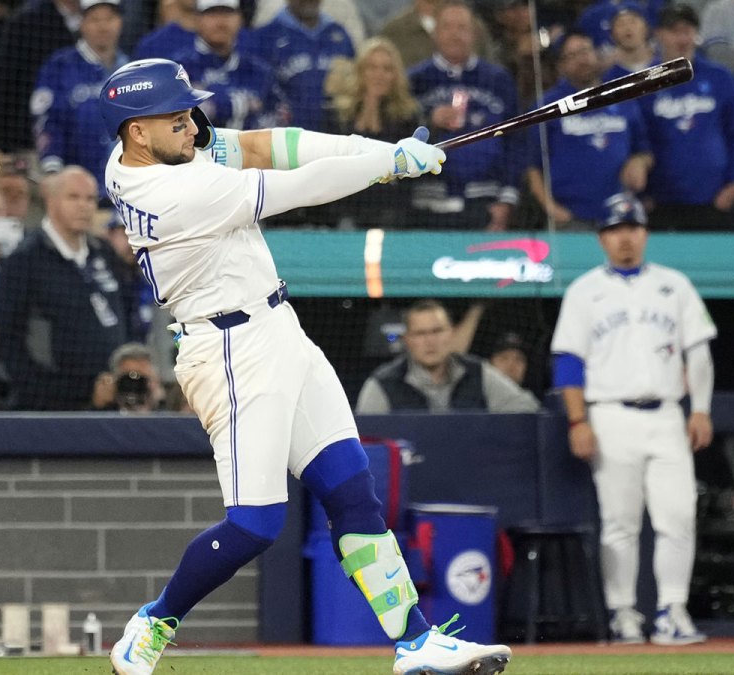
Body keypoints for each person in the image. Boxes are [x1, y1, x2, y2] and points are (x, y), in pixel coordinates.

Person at [97, 57, 509, 675]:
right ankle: (152, 623)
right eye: (176, 118)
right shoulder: (178, 191)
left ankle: (416, 644)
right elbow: (300, 185)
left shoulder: (162, 153)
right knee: (256, 525)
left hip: (278, 327)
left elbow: (274, 144)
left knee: (352, 491)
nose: (192, 125)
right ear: (136, 130)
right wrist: (386, 165)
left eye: (187, 112)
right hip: (230, 352)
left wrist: (380, 149)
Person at [550, 192, 716, 646]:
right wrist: (577, 421)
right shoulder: (585, 290)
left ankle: (672, 610)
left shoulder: (674, 285)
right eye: (615, 230)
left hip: (665, 414)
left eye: (632, 228)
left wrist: (700, 407)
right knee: (620, 522)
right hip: (610, 415)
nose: (625, 238)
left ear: (644, 234)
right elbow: (568, 361)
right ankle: (624, 614)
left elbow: (698, 352)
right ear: (603, 237)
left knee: (678, 516)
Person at [0, 166, 135, 410]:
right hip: (48, 408)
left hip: (109, 402)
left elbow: (127, 313)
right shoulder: (24, 260)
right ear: (50, 200)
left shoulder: (104, 253)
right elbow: (9, 342)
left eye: (90, 198)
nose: (84, 206)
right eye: (74, 197)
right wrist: (63, 395)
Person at [409, 0, 522, 230]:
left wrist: (508, 199)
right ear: (435, 33)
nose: (455, 34)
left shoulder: (498, 79)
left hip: (486, 201)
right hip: (428, 204)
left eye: (462, 28)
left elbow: (517, 141)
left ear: (474, 34)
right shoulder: (414, 80)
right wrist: (428, 122)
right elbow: (395, 136)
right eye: (448, 27)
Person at [641, 4, 734, 231]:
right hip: (660, 201)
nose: (682, 38)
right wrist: (642, 193)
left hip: (714, 198)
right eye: (674, 31)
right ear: (659, 34)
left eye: (687, 31)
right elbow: (637, 140)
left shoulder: (719, 77)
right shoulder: (644, 81)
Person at [528, 32, 652, 228]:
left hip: (620, 214)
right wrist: (551, 208)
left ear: (596, 54)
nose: (582, 60)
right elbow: (532, 166)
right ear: (561, 66)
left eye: (585, 51)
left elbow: (643, 150)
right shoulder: (547, 106)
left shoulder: (622, 97)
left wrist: (639, 162)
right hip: (570, 217)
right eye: (572, 55)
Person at [355, 299, 541, 413]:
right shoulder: (383, 383)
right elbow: (368, 439)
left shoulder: (478, 372)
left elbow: (528, 409)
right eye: (421, 334)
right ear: (408, 340)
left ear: (451, 333)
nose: (430, 341)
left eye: (437, 331)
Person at [33, 0, 129, 199]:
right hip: (77, 188)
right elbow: (48, 121)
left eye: (109, 19)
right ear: (82, 23)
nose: (103, 27)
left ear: (120, 22)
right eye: (95, 19)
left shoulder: (132, 68)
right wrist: (52, 168)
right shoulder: (60, 66)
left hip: (127, 188)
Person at [323, 37, 423, 228]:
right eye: (372, 67)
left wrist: (374, 106)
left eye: (387, 69)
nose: (379, 75)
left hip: (391, 209)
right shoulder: (337, 114)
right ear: (360, 71)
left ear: (396, 76)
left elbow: (405, 172)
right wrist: (368, 104)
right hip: (344, 207)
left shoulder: (408, 117)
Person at [152, 0, 285, 132]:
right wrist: (240, 104)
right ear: (196, 19)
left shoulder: (258, 71)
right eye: (211, 14)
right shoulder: (177, 69)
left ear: (240, 18)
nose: (220, 22)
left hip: (248, 150)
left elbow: (281, 119)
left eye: (227, 13)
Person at [0, 0, 79, 153]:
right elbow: (3, 82)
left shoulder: (100, 19)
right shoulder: (29, 21)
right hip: (29, 142)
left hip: (82, 147)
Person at [251, 0, 355, 132]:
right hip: (287, 136)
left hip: (336, 134)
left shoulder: (339, 35)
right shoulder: (265, 37)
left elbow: (353, 87)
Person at [90, 342, 168, 412]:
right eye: (127, 379)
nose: (134, 385)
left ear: (157, 381)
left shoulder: (171, 414)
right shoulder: (104, 419)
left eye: (141, 379)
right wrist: (98, 407)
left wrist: (162, 404)